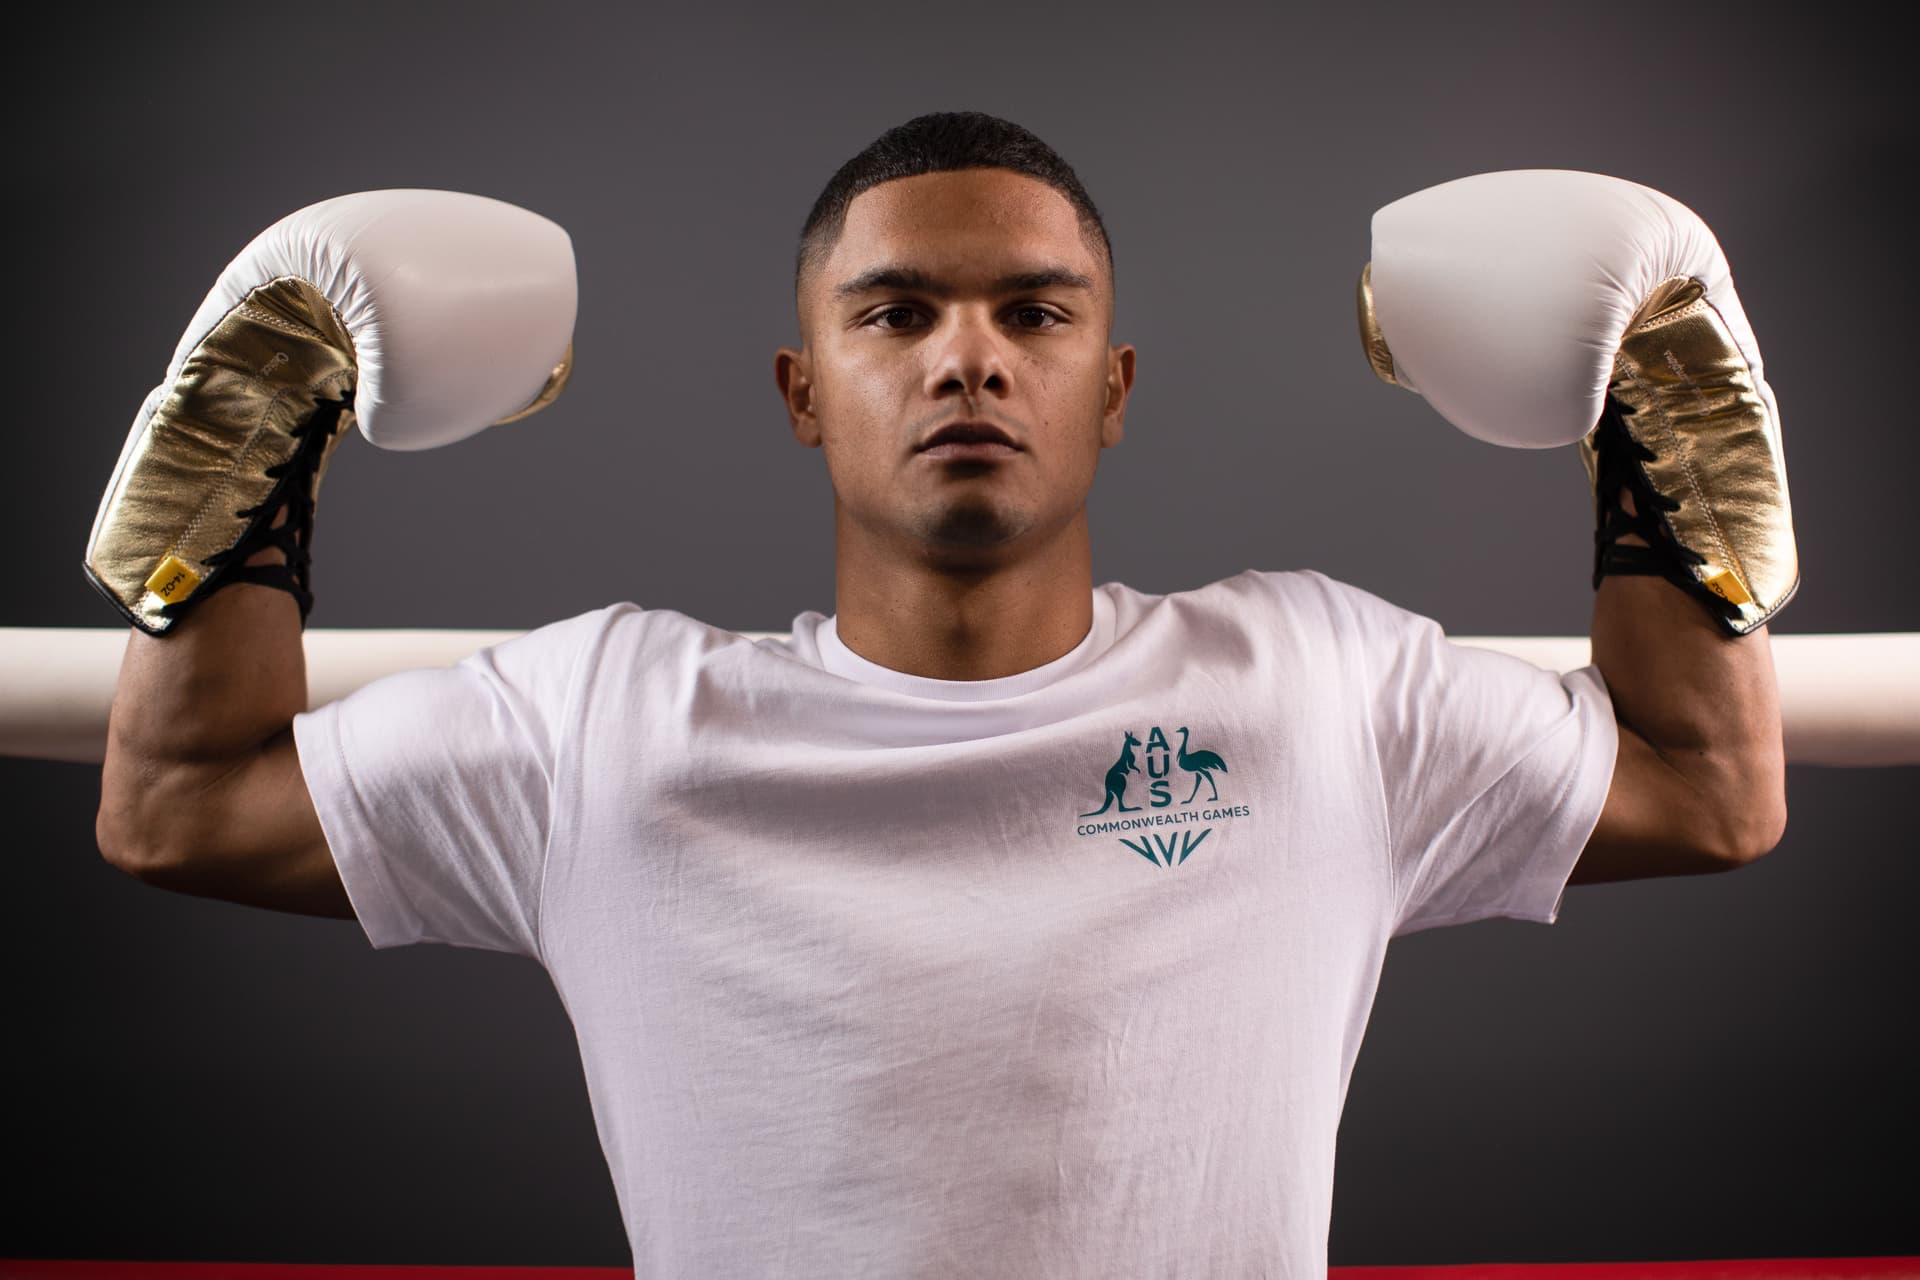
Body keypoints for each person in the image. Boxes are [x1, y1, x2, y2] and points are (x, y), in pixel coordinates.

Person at [89, 112, 1789, 1274]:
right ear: (802, 392)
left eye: (1033, 315)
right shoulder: (612, 726)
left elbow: (1712, 788)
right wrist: (261, 421)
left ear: (1110, 388)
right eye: (895, 313)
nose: (967, 355)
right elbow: (177, 807)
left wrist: (1655, 418)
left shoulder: (1309, 686)